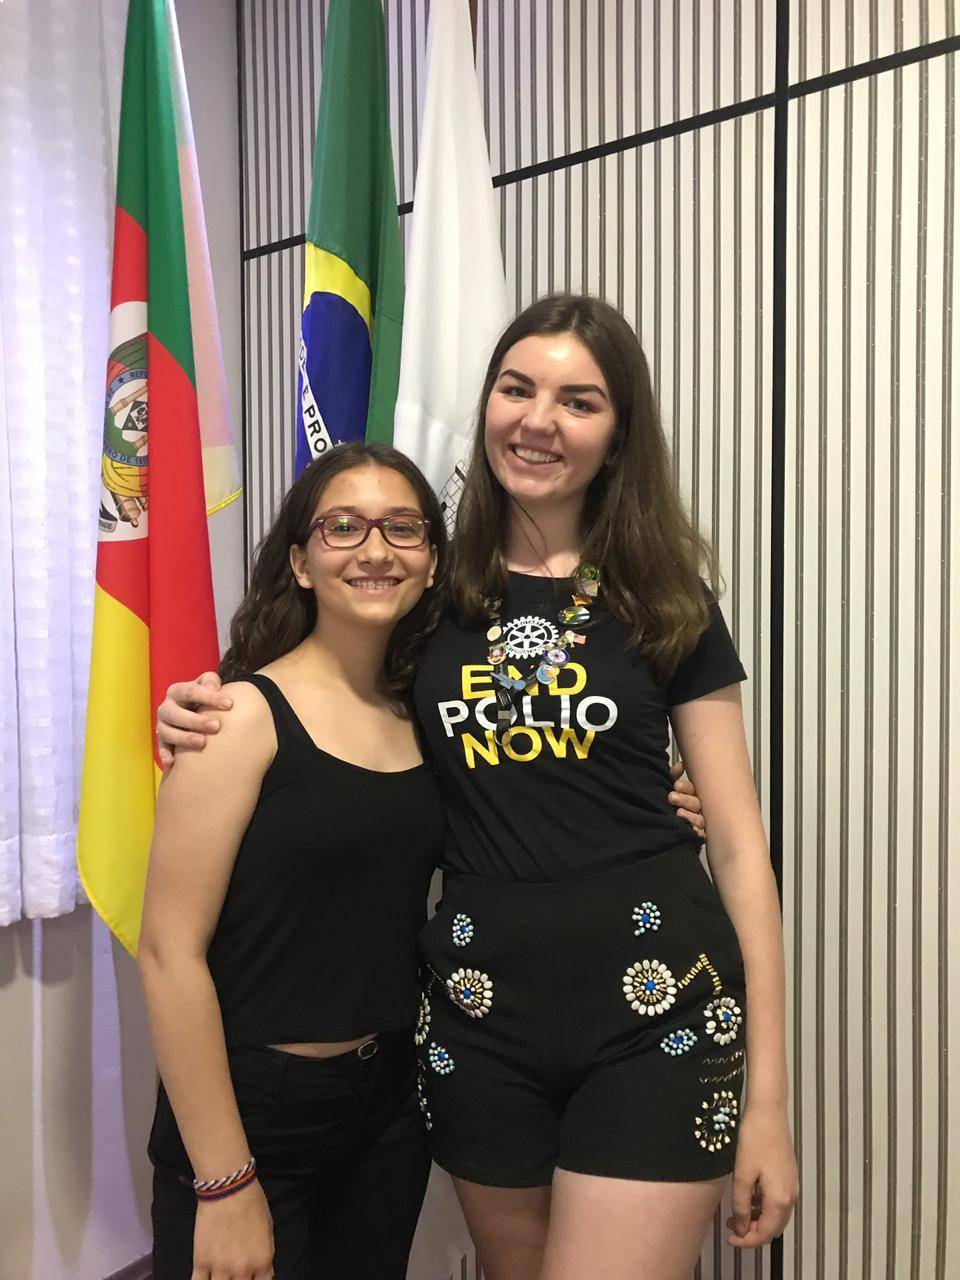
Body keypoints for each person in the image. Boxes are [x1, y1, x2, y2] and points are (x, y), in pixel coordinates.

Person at [158, 294, 797, 1280]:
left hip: (657, 1007)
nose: (540, 419)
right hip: (478, 1019)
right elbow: (326, 693)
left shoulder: (666, 596)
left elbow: (744, 847)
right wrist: (202, 704)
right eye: (517, 388)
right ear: (488, 403)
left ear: (619, 433)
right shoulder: (430, 591)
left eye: (579, 401)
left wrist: (771, 1104)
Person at [139, 444, 448, 1280]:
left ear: (431, 560)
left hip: (389, 1108)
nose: (375, 549)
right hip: (252, 1113)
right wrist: (225, 1178)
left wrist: (669, 793)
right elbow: (168, 952)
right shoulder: (236, 716)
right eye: (343, 527)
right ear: (302, 563)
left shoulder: (427, 717)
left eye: (403, 528)